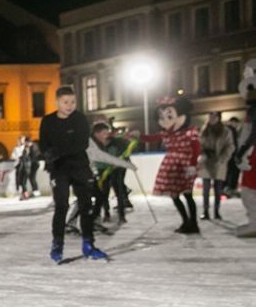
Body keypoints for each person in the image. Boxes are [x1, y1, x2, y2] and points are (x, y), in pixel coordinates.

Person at [39, 85, 106, 261]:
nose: (69, 105)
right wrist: (48, 154)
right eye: (65, 102)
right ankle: (57, 244)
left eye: (73, 101)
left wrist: (58, 151)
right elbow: (44, 144)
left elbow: (81, 143)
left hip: (79, 167)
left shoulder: (80, 119)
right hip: (59, 169)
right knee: (61, 206)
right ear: (57, 102)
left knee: (86, 205)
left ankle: (88, 244)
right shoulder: (48, 121)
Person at [142, 96, 203, 234]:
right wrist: (138, 136)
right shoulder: (166, 134)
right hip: (171, 167)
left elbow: (196, 148)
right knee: (174, 195)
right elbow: (151, 138)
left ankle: (193, 223)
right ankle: (186, 222)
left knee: (187, 195)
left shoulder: (190, 132)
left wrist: (192, 165)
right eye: (161, 117)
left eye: (169, 116)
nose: (165, 121)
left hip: (185, 166)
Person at [88, 123, 137, 227]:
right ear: (97, 133)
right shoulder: (92, 143)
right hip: (102, 170)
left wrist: (124, 159)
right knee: (103, 192)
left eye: (107, 132)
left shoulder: (116, 141)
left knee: (118, 190)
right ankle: (105, 214)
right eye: (104, 133)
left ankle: (121, 215)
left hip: (116, 169)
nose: (106, 135)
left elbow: (128, 146)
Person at [198, 112, 235, 221]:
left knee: (218, 189)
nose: (211, 118)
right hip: (206, 162)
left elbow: (230, 146)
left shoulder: (225, 131)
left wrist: (223, 158)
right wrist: (203, 152)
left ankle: (216, 212)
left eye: (214, 116)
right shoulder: (204, 130)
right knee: (205, 189)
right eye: (209, 116)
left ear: (218, 118)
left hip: (219, 162)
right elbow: (199, 143)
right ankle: (205, 211)